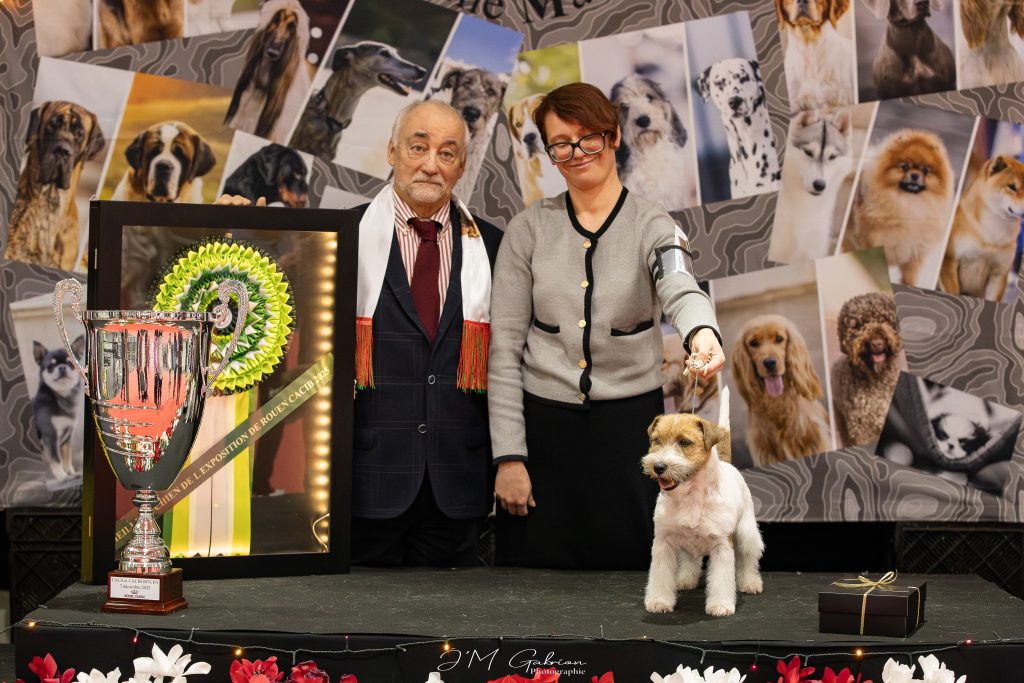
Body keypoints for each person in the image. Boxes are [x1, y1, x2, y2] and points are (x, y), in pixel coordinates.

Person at [221, 100, 502, 567]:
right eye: (418, 147)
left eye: (447, 153)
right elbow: (266, 306)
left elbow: (507, 365)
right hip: (365, 482)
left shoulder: (491, 245)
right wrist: (229, 231)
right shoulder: (337, 236)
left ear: (462, 165)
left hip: (458, 486)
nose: (431, 164)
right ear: (392, 152)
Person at [487, 82, 725, 570]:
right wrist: (509, 457)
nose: (577, 153)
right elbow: (504, 350)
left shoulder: (655, 225)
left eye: (589, 138)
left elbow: (680, 287)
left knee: (631, 579)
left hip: (631, 437)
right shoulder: (528, 230)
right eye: (561, 144)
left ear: (614, 136)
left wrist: (701, 333)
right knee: (530, 585)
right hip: (544, 438)